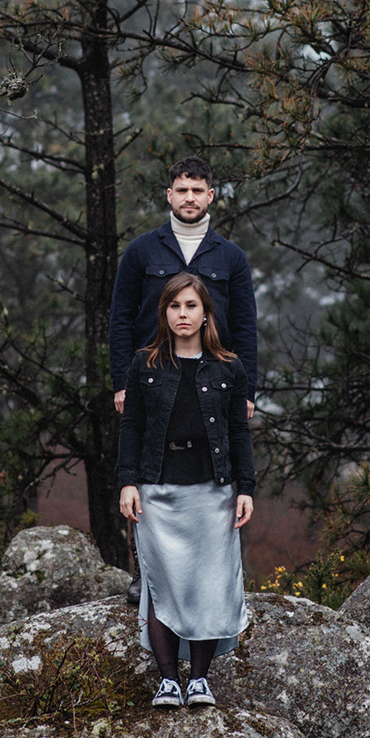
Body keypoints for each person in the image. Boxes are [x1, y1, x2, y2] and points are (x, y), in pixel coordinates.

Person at [117, 272, 255, 708]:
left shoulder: (230, 367)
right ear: (165, 312)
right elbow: (132, 427)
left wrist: (245, 488)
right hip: (158, 491)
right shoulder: (145, 364)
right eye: (175, 306)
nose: (183, 314)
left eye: (191, 306)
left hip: (212, 493)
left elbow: (238, 432)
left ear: (205, 312)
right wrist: (127, 482)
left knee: (209, 587)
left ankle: (199, 679)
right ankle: (167, 680)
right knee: (162, 585)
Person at [109, 157, 258, 419]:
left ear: (210, 195)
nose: (189, 198)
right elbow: (121, 318)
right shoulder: (140, 251)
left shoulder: (232, 257)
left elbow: (244, 326)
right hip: (150, 379)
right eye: (182, 190)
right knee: (151, 458)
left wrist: (247, 391)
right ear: (169, 195)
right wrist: (122, 383)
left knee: (212, 459)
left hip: (216, 381)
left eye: (197, 190)